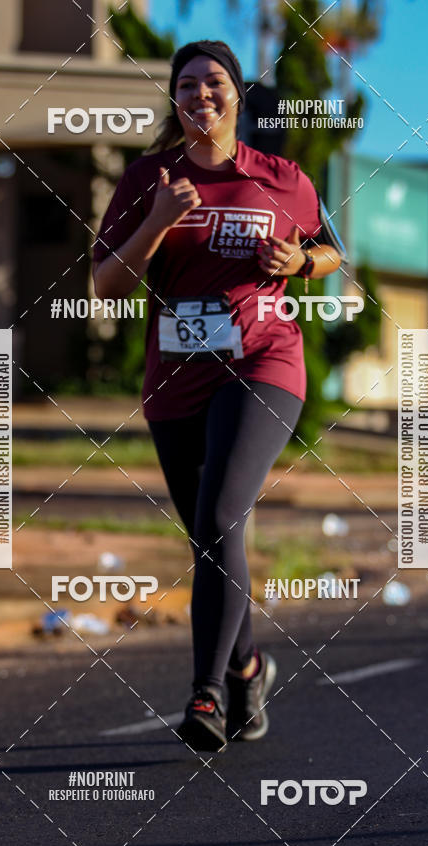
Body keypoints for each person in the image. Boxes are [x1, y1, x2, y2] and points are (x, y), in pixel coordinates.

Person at [93, 40, 341, 752]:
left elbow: (330, 249)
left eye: (216, 83)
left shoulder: (282, 178)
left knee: (224, 512)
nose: (202, 94)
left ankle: (204, 695)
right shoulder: (148, 178)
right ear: (174, 100)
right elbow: (104, 285)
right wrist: (156, 222)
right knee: (210, 536)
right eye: (188, 85)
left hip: (265, 364)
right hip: (175, 382)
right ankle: (250, 667)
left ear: (237, 95)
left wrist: (300, 261)